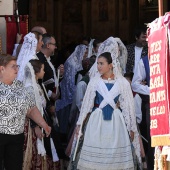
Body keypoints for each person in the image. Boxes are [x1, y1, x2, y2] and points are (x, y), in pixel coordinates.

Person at [71, 37, 141, 170]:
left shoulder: (123, 83)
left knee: (116, 155)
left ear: (111, 65)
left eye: (101, 63)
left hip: (116, 122)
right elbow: (86, 106)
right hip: (96, 121)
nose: (98, 66)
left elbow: (128, 108)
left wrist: (132, 127)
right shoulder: (94, 82)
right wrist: (79, 125)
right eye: (97, 63)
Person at [0, 54, 51, 170]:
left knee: (14, 166)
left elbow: (31, 109)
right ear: (2, 69)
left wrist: (44, 124)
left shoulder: (20, 86)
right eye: (13, 66)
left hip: (16, 136)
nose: (17, 69)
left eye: (17, 66)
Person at [23, 59, 60, 170]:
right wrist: (36, 126)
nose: (44, 72)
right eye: (43, 69)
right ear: (36, 72)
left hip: (42, 118)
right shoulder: (29, 88)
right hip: (33, 123)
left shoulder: (37, 85)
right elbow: (31, 108)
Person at [131, 55, 154, 170]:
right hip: (153, 104)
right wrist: (154, 90)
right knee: (154, 141)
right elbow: (135, 85)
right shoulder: (145, 61)